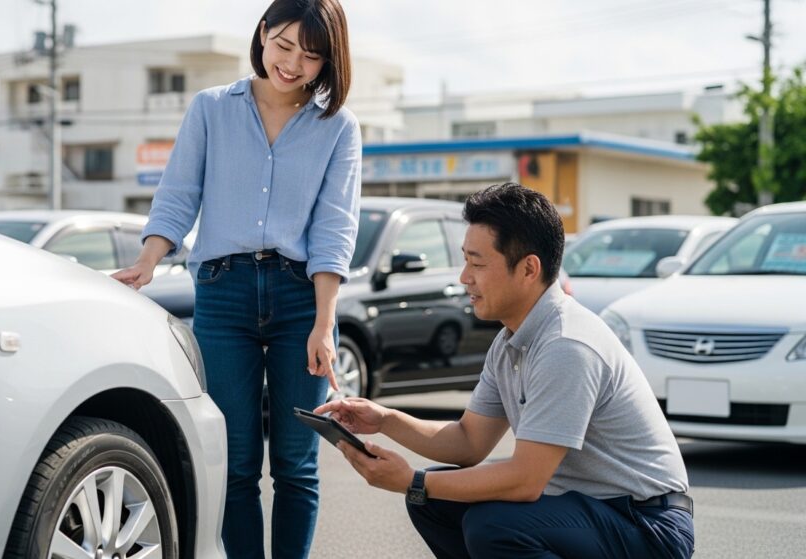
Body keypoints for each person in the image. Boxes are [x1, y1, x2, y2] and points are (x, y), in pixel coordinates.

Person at [316, 183, 695, 559]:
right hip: (589, 510)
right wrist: (385, 420)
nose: (464, 277)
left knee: (492, 525)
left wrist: (413, 480)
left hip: (647, 524)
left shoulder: (566, 344)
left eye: (477, 263)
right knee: (434, 502)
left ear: (529, 268)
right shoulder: (511, 341)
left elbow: (525, 481)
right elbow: (469, 442)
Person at [111, 1, 360, 557]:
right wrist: (148, 261)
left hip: (301, 299)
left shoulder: (338, 127)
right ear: (263, 33)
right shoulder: (211, 108)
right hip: (223, 295)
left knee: (296, 464)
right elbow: (179, 193)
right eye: (284, 46)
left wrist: (324, 323)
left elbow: (335, 227)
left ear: (329, 61)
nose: (292, 64)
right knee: (236, 462)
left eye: (311, 56)